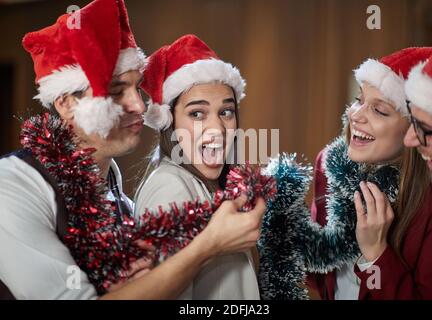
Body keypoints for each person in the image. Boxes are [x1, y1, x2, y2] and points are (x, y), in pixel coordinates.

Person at [0, 0, 265, 300]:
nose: (139, 105)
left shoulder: (120, 202)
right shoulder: (12, 184)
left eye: (137, 87)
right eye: (115, 91)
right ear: (65, 103)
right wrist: (208, 245)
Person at [307, 41, 432, 300]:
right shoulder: (328, 163)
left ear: (414, 128)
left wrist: (376, 254)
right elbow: (320, 276)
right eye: (358, 100)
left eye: (379, 110)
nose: (356, 115)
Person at [135, 34, 260, 300]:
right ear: (170, 124)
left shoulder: (223, 188)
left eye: (226, 111)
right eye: (197, 114)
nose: (217, 128)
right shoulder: (170, 188)